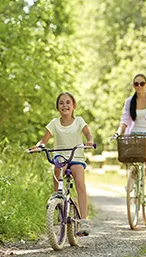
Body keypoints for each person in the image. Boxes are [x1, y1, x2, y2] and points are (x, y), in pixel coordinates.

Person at [29, 92, 94, 236]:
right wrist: (39, 146)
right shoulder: (54, 123)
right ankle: (59, 202)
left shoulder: (79, 121)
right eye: (61, 103)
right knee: (57, 172)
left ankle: (83, 219)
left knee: (80, 183)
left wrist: (89, 141)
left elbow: (88, 134)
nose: (65, 105)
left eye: (68, 102)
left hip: (76, 156)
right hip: (61, 156)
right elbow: (44, 140)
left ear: (74, 106)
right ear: (58, 107)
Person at [114, 74, 146, 218]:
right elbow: (125, 119)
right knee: (133, 163)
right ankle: (132, 180)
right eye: (136, 84)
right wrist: (119, 132)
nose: (139, 86)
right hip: (135, 134)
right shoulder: (130, 102)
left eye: (142, 83)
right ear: (133, 86)